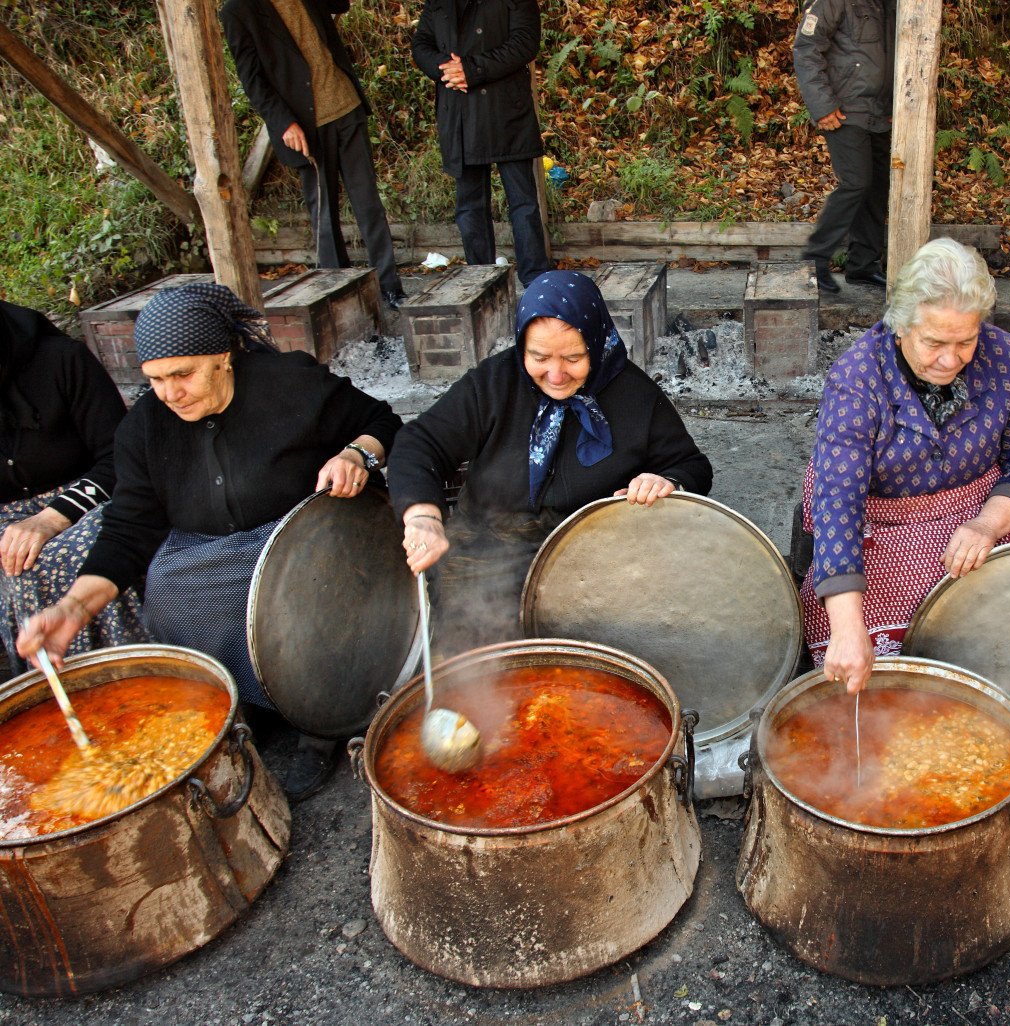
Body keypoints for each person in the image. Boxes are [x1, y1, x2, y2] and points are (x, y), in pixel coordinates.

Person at [17, 284, 402, 800]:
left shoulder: (289, 385)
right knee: (172, 589)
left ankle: (322, 723)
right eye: (155, 379)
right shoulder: (144, 430)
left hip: (305, 540)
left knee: (304, 603)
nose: (170, 393)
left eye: (183, 374)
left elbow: (382, 420)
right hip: (204, 555)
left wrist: (355, 455)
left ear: (224, 359)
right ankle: (250, 705)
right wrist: (71, 609)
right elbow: (128, 530)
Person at [387, 271, 712, 655]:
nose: (555, 375)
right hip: (484, 551)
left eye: (573, 358)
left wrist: (666, 480)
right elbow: (418, 443)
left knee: (594, 668)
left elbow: (692, 465)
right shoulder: (493, 384)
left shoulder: (634, 395)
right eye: (538, 357)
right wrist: (423, 517)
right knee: (475, 664)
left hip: (593, 559)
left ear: (596, 342)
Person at [803, 238, 1010, 693]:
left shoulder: (1000, 354)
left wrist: (986, 525)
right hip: (880, 522)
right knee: (870, 657)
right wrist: (848, 627)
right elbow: (837, 502)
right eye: (934, 342)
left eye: (966, 341)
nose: (950, 359)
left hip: (979, 516)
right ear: (900, 328)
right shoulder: (858, 376)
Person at [220, 0, 406, 308]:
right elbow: (251, 78)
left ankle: (390, 288)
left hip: (346, 107)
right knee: (324, 216)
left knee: (369, 205)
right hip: (304, 124)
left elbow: (340, 4)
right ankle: (342, 296)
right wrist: (283, 123)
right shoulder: (238, 11)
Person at [0, 301, 147, 675]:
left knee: (55, 557)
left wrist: (51, 519)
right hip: (5, 521)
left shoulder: (62, 361)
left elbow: (120, 457)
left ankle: (126, 679)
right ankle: (42, 701)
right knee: (11, 557)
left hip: (85, 501)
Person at [412, 0, 553, 286]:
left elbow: (525, 42)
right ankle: (482, 282)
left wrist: (473, 69)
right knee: (469, 206)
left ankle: (536, 280)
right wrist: (446, 70)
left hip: (505, 110)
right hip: (460, 113)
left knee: (523, 202)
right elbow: (421, 44)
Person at [792, 0, 894, 294]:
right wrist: (822, 105)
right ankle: (813, 261)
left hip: (880, 111)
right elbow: (806, 50)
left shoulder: (892, 5)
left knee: (876, 186)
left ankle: (863, 265)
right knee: (855, 182)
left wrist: (893, 103)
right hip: (844, 110)